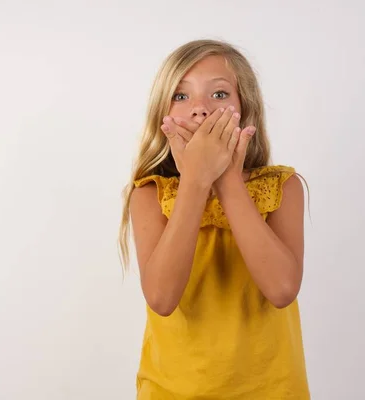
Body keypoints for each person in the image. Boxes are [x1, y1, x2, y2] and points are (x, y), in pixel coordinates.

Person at [119, 39, 310, 399]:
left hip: (272, 391)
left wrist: (226, 180)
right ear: (163, 113)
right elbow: (161, 298)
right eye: (180, 95)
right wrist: (195, 179)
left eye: (219, 95)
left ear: (246, 109)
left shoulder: (283, 189)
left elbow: (282, 289)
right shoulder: (149, 195)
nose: (200, 110)